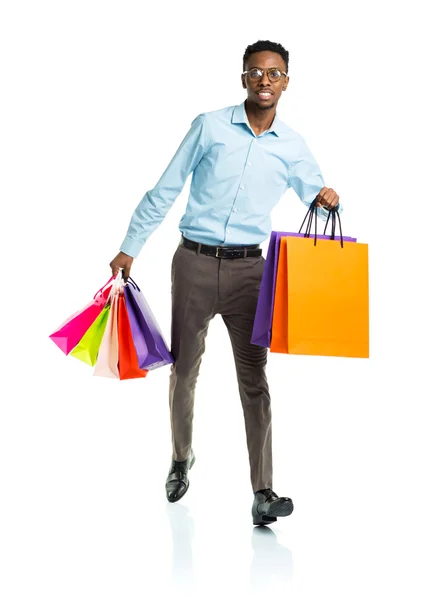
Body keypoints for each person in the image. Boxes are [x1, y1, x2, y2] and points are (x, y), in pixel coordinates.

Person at [110, 39, 341, 527]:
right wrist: (131, 245)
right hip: (193, 263)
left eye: (274, 73)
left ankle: (263, 491)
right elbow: (166, 187)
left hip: (250, 274)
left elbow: (313, 195)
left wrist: (325, 197)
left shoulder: (293, 145)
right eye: (256, 73)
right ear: (243, 79)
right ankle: (180, 458)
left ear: (286, 82)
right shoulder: (210, 126)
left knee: (254, 380)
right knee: (184, 369)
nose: (264, 81)